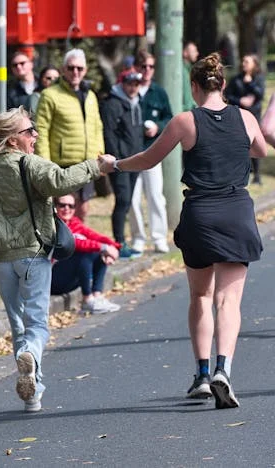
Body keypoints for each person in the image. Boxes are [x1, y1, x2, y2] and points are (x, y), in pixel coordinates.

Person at [99, 53, 267, 409]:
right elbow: (261, 149)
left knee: (201, 297)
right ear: (223, 84)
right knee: (229, 300)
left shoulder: (185, 122)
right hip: (236, 210)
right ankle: (225, 369)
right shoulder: (247, 118)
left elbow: (147, 159)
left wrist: (114, 165)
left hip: (200, 215)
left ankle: (202, 375)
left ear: (194, 86)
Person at [0, 107, 103, 413]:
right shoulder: (28, 164)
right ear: (12, 139)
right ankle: (31, 357)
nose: (34, 136)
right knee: (37, 324)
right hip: (32, 253)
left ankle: (33, 395)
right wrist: (95, 166)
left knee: (18, 322)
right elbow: (61, 180)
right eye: (28, 131)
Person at [35, 49, 104, 221]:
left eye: (80, 68)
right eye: (71, 67)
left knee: (83, 209)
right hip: (63, 164)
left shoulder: (91, 96)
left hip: (88, 162)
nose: (75, 72)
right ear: (63, 69)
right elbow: (41, 130)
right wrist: (44, 163)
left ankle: (79, 246)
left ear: (85, 71)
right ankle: (62, 246)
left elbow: (97, 127)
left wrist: (99, 158)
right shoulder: (50, 94)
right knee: (64, 210)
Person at [129, 50, 172, 254]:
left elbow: (169, 118)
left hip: (153, 152)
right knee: (133, 198)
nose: (147, 70)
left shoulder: (159, 92)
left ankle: (159, 237)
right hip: (132, 152)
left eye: (151, 67)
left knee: (155, 196)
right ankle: (138, 237)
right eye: (143, 66)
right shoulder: (129, 89)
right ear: (136, 67)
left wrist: (157, 126)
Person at [51, 193, 121, 314]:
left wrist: (114, 247)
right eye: (62, 205)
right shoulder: (53, 226)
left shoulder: (74, 223)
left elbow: (94, 236)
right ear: (55, 207)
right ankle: (87, 300)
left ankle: (97, 295)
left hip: (70, 279)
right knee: (85, 253)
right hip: (54, 279)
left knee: (98, 254)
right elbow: (75, 243)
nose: (67, 209)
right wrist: (103, 247)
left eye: (71, 206)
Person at [100, 71, 144, 258]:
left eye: (137, 83)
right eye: (130, 83)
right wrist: (116, 161)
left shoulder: (136, 102)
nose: (134, 87)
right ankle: (119, 242)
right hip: (120, 162)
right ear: (122, 83)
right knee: (123, 199)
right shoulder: (112, 103)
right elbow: (109, 134)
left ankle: (122, 242)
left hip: (134, 160)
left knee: (128, 201)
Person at [225, 54, 265, 184]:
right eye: (243, 61)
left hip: (254, 116)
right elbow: (227, 96)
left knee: (254, 143)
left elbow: (260, 94)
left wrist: (250, 83)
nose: (244, 64)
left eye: (247, 62)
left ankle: (257, 175)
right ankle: (243, 172)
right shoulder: (236, 79)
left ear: (254, 64)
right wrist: (240, 100)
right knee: (240, 145)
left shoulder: (258, 79)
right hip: (238, 116)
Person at [183, 42, 199, 111]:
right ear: (185, 52)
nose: (197, 53)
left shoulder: (189, 69)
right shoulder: (181, 70)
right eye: (194, 51)